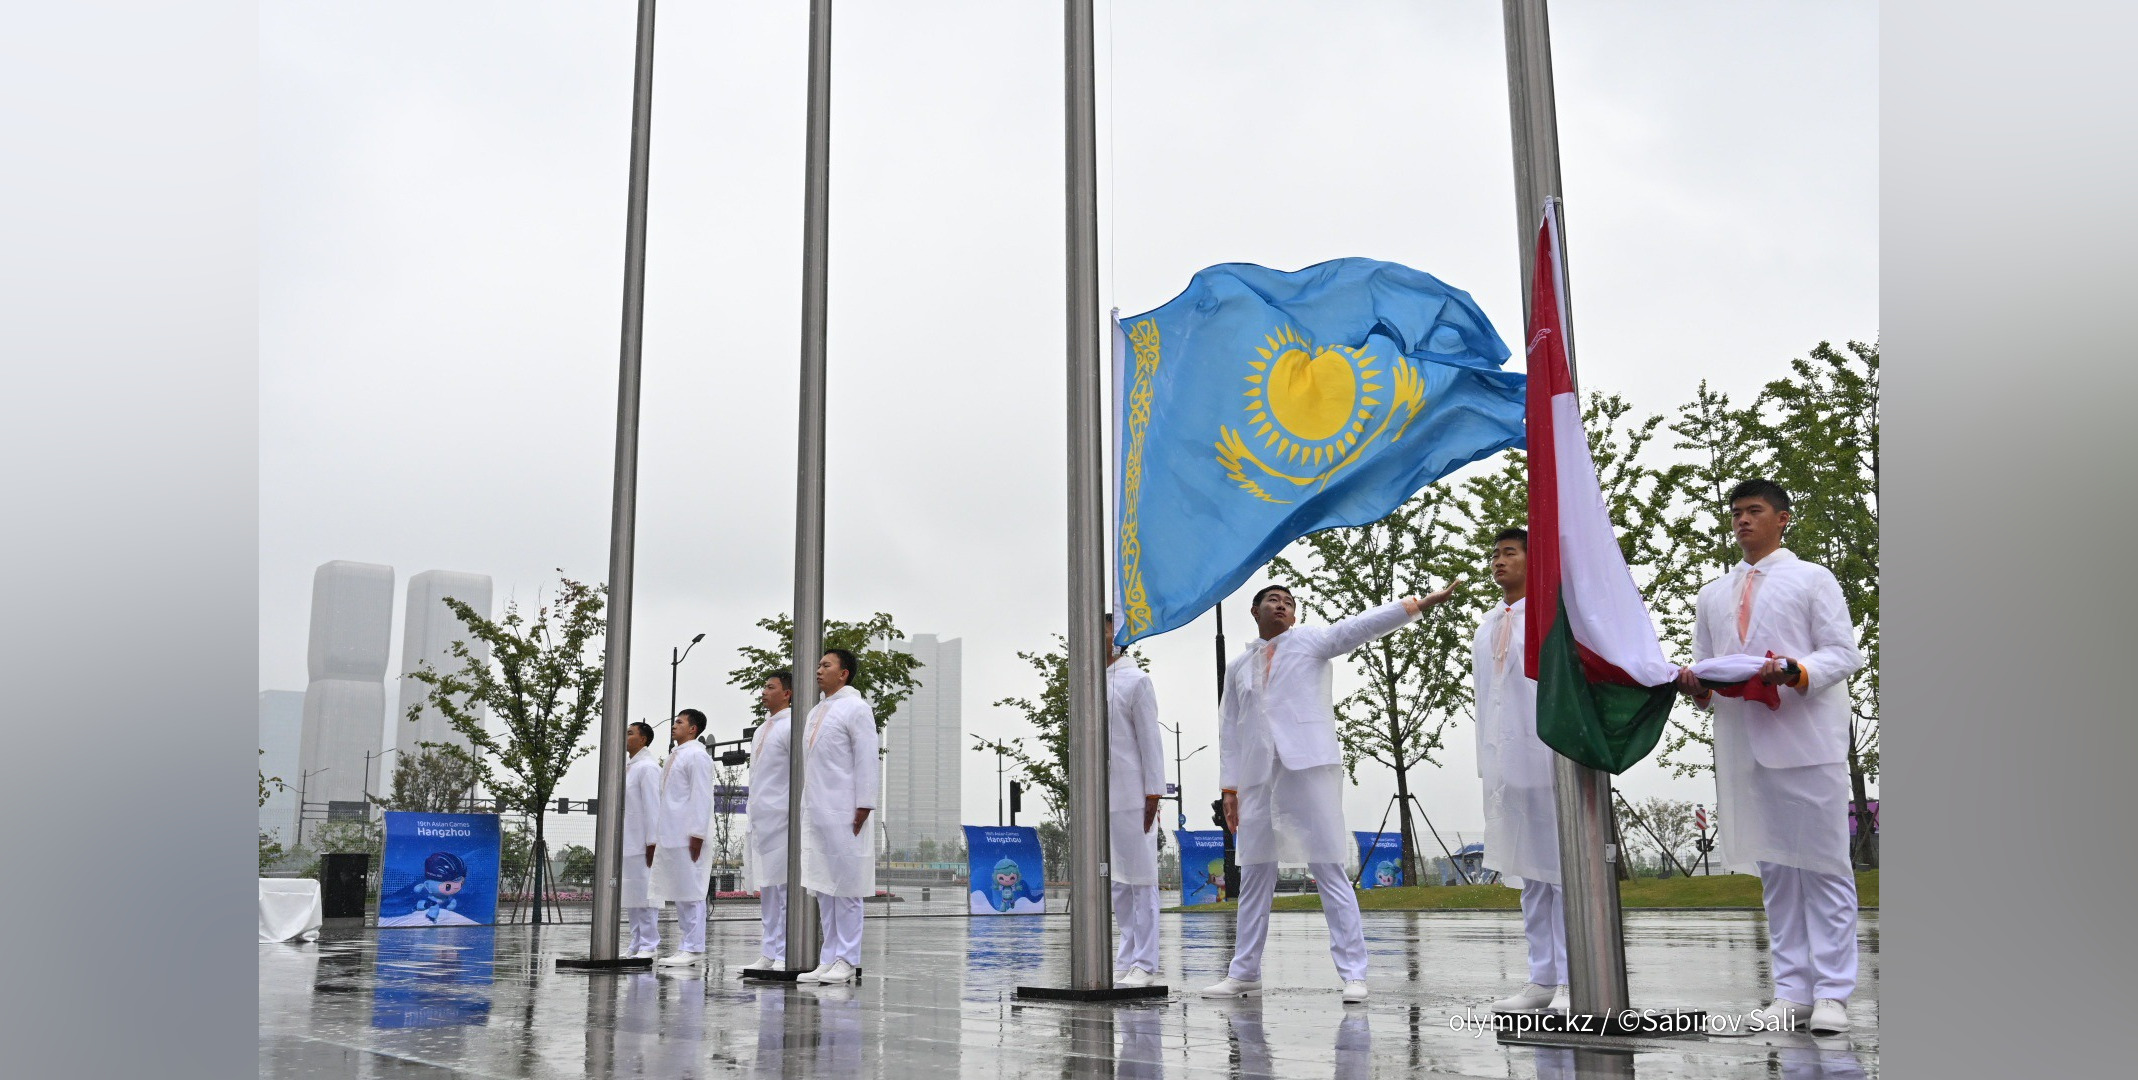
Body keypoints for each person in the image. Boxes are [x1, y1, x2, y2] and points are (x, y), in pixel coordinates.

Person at [1201, 581, 1456, 1004]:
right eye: (1272, 601)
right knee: (1255, 873)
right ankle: (1243, 973)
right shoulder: (1239, 666)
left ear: (1295, 614)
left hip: (1308, 767)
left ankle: (1354, 973)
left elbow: (1358, 627)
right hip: (1257, 777)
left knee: (1329, 867)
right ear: (1254, 611)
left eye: (1288, 603)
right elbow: (1229, 727)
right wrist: (1230, 788)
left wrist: (1414, 606)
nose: (1280, 607)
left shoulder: (1311, 642)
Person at [1677, 479, 1864, 1037]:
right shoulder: (1713, 593)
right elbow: (1707, 665)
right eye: (1735, 513)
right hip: (1745, 743)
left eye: (1754, 511)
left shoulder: (1812, 578)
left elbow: (1842, 652)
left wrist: (1794, 670)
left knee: (1825, 867)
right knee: (1777, 870)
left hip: (1806, 740)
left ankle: (1832, 991)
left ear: (1783, 518)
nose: (1742, 521)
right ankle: (1791, 990)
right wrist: (1695, 685)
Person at [1470, 528, 1570, 1015]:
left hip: (1549, 753)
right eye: (1495, 555)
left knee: (1563, 872)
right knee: (1529, 873)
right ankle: (1542, 978)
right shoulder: (1488, 624)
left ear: (1534, 560)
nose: (1499, 561)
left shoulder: (1553, 613)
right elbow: (1484, 700)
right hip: (1507, 763)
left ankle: (1577, 977)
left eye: (1510, 552)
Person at [797, 649, 878, 985]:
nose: (818, 670)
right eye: (818, 665)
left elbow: (867, 756)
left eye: (826, 665)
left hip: (846, 809)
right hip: (816, 807)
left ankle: (847, 958)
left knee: (846, 884)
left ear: (844, 674)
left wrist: (864, 804)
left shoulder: (857, 708)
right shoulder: (817, 711)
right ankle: (828, 957)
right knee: (823, 884)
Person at [1105, 613, 1167, 988]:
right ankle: (1126, 954)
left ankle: (1145, 961)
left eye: (1109, 624)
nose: (1103, 631)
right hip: (1100, 796)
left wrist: (1153, 792)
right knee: (1116, 882)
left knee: (1142, 879)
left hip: (1134, 794)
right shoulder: (1089, 681)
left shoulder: (1136, 680)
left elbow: (1151, 742)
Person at [649, 708, 715, 966]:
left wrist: (697, 833)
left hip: (689, 834)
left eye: (679, 722)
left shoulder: (697, 756)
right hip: (672, 832)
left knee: (692, 891)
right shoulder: (676, 755)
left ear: (693, 729)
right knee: (680, 890)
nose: (673, 725)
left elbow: (701, 796)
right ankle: (686, 945)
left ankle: (694, 947)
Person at [742, 672, 794, 970]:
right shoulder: (763, 729)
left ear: (787, 693)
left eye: (770, 687)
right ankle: (769, 951)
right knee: (768, 888)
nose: (764, 691)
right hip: (762, 815)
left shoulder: (791, 726)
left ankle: (787, 952)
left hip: (783, 814)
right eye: (764, 686)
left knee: (784, 887)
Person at [622, 720, 662, 959]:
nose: (625, 737)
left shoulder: (648, 767)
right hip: (629, 840)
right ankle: (636, 942)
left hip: (643, 842)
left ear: (643, 739)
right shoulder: (629, 767)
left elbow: (653, 807)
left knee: (646, 894)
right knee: (632, 894)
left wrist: (652, 841)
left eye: (630, 733)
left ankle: (649, 944)